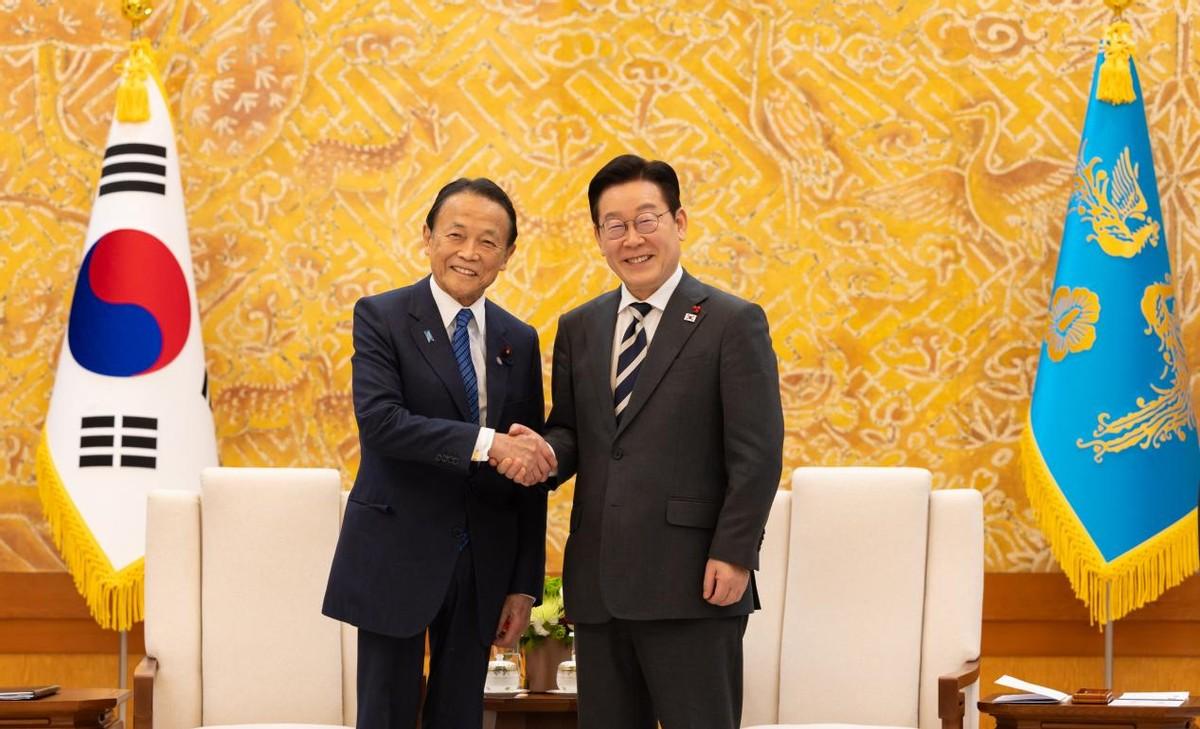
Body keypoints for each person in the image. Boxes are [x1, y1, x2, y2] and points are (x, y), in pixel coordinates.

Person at [507, 154, 783, 728]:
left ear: (678, 222)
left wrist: (735, 552)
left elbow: (757, 454)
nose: (632, 239)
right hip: (600, 585)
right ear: (598, 237)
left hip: (695, 583)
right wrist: (546, 453)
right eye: (615, 226)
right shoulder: (579, 327)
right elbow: (575, 430)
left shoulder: (732, 322)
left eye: (646, 220)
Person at [322, 177, 556, 729]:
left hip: (481, 565)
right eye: (456, 234)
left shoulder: (518, 339)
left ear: (507, 255)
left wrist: (523, 584)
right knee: (385, 715)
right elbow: (383, 423)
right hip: (396, 553)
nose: (469, 252)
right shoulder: (381, 316)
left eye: (488, 241)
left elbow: (526, 468)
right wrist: (487, 443)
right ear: (427, 237)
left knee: (460, 716)